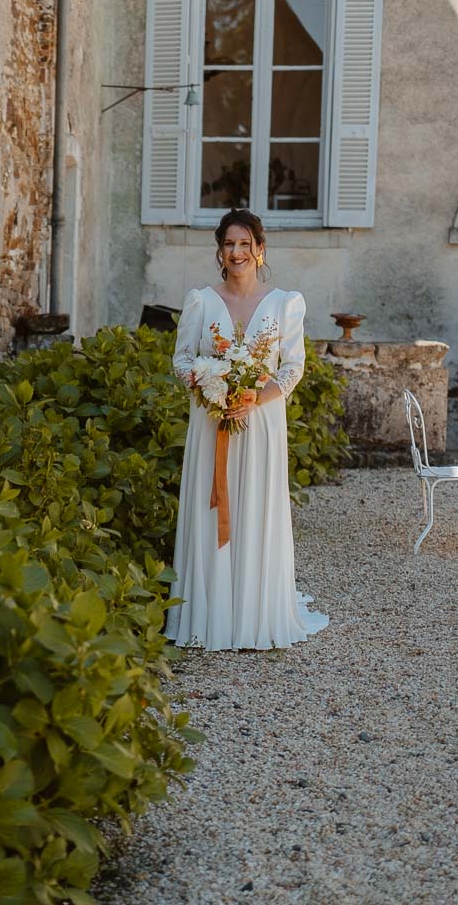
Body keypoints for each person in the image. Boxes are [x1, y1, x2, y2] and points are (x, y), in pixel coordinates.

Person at [165, 208, 328, 651]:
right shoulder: (201, 300)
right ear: (220, 251)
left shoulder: (283, 304)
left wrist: (255, 396)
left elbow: (293, 367)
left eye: (244, 244)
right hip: (210, 422)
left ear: (260, 249)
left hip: (260, 425)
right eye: (228, 244)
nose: (236, 252)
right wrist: (209, 384)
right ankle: (210, 616)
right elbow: (181, 361)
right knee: (209, 506)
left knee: (255, 505)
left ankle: (254, 614)